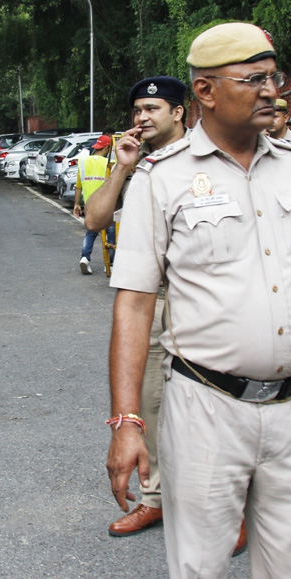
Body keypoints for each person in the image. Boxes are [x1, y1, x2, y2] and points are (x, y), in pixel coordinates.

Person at [106, 23, 291, 578]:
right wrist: (127, 420)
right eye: (253, 79)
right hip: (207, 408)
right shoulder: (162, 178)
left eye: (273, 78)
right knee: (200, 566)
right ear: (205, 92)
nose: (272, 91)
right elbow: (134, 305)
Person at [85, 76, 193, 541]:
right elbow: (94, 219)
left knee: (206, 409)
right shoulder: (139, 166)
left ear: (179, 113)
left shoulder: (204, 161)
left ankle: (228, 508)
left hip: (196, 305)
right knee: (145, 407)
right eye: (137, 111)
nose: (142, 118)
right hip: (148, 303)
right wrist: (122, 169)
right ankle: (154, 500)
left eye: (153, 108)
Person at [73, 134, 114, 275]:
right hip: (106, 205)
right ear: (108, 147)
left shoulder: (83, 162)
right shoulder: (109, 163)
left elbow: (78, 186)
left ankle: (85, 258)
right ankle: (110, 264)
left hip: (90, 204)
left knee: (91, 232)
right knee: (111, 233)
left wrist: (77, 204)